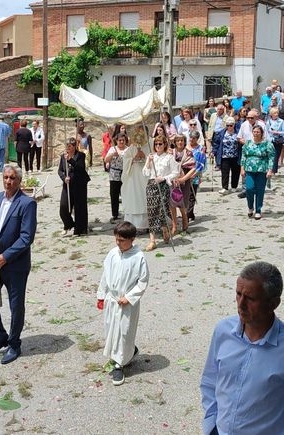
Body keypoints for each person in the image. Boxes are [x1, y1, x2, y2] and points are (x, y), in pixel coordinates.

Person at [200, 261, 284, 435]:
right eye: (238, 294)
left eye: (250, 298)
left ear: (274, 303)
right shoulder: (223, 331)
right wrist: (211, 425)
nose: (240, 304)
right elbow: (210, 381)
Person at [0, 164, 38, 365]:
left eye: (12, 178)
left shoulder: (27, 203)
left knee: (15, 307)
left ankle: (14, 343)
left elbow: (26, 238)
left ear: (19, 181)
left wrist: (5, 256)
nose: (8, 181)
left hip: (15, 265)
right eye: (5, 177)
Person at [96, 221, 149, 386]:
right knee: (111, 329)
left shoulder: (138, 257)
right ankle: (121, 354)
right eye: (116, 239)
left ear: (132, 239)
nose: (118, 243)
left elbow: (143, 281)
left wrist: (130, 297)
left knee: (124, 331)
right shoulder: (113, 253)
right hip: (112, 300)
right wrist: (101, 295)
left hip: (126, 303)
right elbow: (106, 275)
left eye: (122, 240)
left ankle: (119, 365)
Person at [143, 136, 176, 251]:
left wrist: (164, 178)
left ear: (164, 144)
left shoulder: (169, 157)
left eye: (160, 144)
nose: (158, 146)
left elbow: (175, 173)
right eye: (156, 144)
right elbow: (146, 173)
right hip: (151, 185)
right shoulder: (152, 157)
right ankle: (152, 240)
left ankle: (165, 230)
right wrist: (148, 161)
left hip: (163, 185)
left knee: (162, 210)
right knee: (152, 211)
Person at [241, 124, 275, 220]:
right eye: (254, 132)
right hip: (249, 169)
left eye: (258, 132)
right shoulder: (247, 143)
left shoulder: (267, 144)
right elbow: (243, 156)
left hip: (262, 169)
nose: (256, 134)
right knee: (249, 189)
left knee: (260, 191)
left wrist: (270, 170)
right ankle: (250, 206)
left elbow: (271, 157)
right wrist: (242, 168)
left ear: (262, 133)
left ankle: (258, 210)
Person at [59, 137, 90, 236]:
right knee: (64, 206)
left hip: (79, 184)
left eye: (70, 146)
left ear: (74, 147)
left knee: (79, 207)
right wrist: (64, 178)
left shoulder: (81, 155)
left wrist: (71, 160)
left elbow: (80, 168)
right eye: (66, 146)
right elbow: (60, 170)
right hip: (68, 184)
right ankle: (69, 224)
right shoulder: (63, 156)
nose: (67, 148)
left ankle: (80, 228)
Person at [120, 134, 149, 234]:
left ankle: (148, 224)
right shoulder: (130, 149)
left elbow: (153, 160)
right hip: (133, 179)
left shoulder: (149, 147)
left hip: (145, 178)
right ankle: (134, 225)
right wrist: (133, 159)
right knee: (134, 199)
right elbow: (126, 161)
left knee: (144, 198)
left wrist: (145, 157)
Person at [169, 134, 192, 233]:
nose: (180, 142)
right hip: (172, 179)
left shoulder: (188, 153)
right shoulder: (170, 153)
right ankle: (174, 225)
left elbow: (193, 167)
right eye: (178, 140)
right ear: (175, 142)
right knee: (172, 202)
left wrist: (183, 179)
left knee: (182, 201)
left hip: (184, 179)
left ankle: (184, 218)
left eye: (182, 140)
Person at [105, 132, 128, 224]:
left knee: (126, 194)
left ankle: (127, 212)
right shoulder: (112, 149)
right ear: (116, 141)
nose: (121, 142)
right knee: (114, 195)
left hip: (125, 174)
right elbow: (106, 160)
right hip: (114, 174)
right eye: (119, 140)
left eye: (123, 140)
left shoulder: (128, 149)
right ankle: (115, 214)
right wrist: (112, 155)